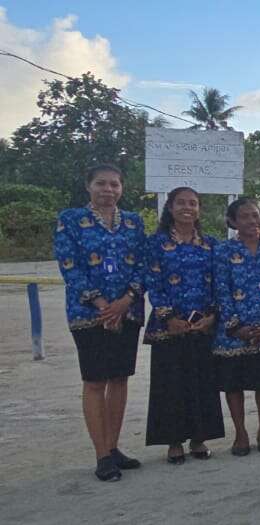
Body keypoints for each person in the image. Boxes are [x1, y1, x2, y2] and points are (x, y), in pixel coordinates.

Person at [54, 164, 148, 481]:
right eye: (101, 184)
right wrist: (101, 304)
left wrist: (124, 302)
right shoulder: (70, 220)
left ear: (122, 188)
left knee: (119, 379)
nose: (108, 190)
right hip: (89, 314)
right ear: (88, 186)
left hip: (127, 311)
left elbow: (143, 266)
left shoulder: (134, 223)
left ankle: (114, 446)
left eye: (114, 184)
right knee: (95, 381)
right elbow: (70, 267)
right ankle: (101, 455)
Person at [143, 187, 222, 464]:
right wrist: (168, 318)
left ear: (199, 209)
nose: (187, 207)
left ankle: (199, 438)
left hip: (203, 325)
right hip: (169, 326)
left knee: (201, 382)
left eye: (193, 203)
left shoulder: (211, 244)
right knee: (170, 385)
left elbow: (218, 283)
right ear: (170, 207)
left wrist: (212, 316)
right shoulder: (155, 243)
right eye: (181, 203)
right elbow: (152, 281)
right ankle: (174, 441)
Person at [213, 198, 260, 457]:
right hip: (233, 331)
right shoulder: (222, 251)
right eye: (245, 217)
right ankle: (240, 433)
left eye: (255, 216)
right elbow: (220, 290)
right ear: (233, 221)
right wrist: (236, 327)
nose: (252, 221)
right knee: (234, 385)